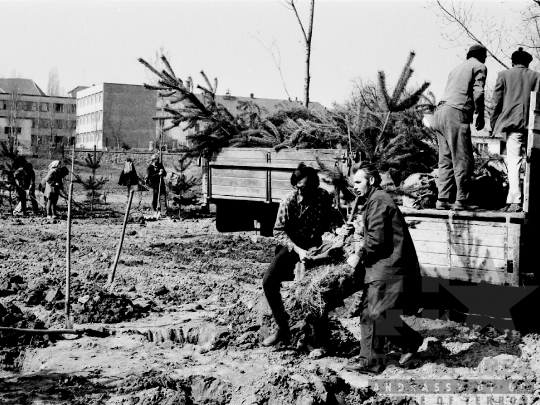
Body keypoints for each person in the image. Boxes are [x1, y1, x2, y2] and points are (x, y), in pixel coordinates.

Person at [344, 162, 423, 374]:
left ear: (370, 181)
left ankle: (370, 362)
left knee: (371, 313)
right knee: (380, 313)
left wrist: (358, 255)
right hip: (387, 264)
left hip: (386, 266)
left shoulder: (378, 200)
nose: (355, 186)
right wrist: (358, 230)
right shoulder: (375, 199)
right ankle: (410, 342)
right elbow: (377, 230)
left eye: (359, 182)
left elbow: (377, 240)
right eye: (354, 183)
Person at [262, 162, 335, 347]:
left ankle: (319, 340)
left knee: (316, 290)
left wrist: (340, 229)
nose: (307, 192)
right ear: (295, 186)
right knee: (269, 281)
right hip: (292, 244)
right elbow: (278, 231)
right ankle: (282, 328)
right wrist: (298, 250)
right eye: (303, 188)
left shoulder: (322, 196)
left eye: (312, 187)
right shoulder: (289, 201)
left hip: (314, 246)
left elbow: (331, 219)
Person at [434, 44, 488, 211]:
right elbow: (478, 92)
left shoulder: (456, 69)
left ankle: (442, 199)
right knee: (462, 158)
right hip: (456, 112)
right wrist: (479, 113)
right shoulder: (479, 66)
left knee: (445, 160)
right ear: (482, 56)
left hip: (440, 112)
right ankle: (461, 200)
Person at [490, 48, 540, 213]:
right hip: (533, 126)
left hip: (513, 124)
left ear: (513, 61)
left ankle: (514, 201)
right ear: (527, 62)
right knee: (533, 162)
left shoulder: (504, 75)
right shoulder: (536, 76)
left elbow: (496, 102)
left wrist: (494, 123)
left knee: (514, 162)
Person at [146, 154, 167, 218]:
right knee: (153, 200)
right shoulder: (149, 167)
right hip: (153, 186)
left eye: (157, 159)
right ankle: (154, 212)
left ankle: (163, 213)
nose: (157, 161)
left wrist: (162, 172)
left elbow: (165, 174)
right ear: (153, 160)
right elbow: (150, 176)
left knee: (162, 199)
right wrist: (158, 174)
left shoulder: (160, 165)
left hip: (161, 185)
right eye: (156, 160)